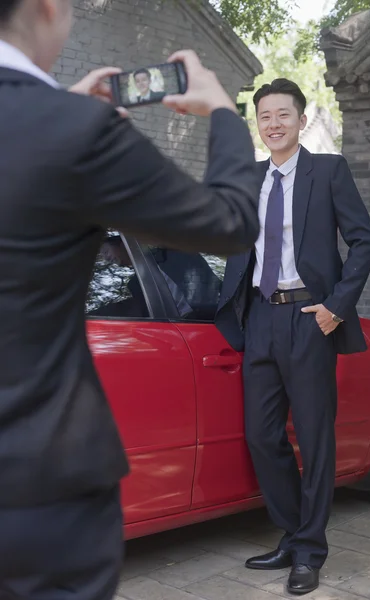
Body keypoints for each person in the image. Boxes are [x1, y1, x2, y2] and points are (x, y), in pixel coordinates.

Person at [0, 0, 261, 598]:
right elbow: (230, 220)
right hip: (42, 493)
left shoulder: (61, 124)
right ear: (45, 6)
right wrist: (223, 110)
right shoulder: (74, 132)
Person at [215, 78, 370, 595]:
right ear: (258, 123)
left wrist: (335, 307)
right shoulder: (250, 179)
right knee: (262, 436)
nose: (274, 124)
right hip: (260, 318)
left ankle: (310, 550)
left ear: (301, 120)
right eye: (265, 116)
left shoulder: (328, 171)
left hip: (310, 317)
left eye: (284, 115)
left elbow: (364, 241)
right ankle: (293, 532)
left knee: (314, 437)